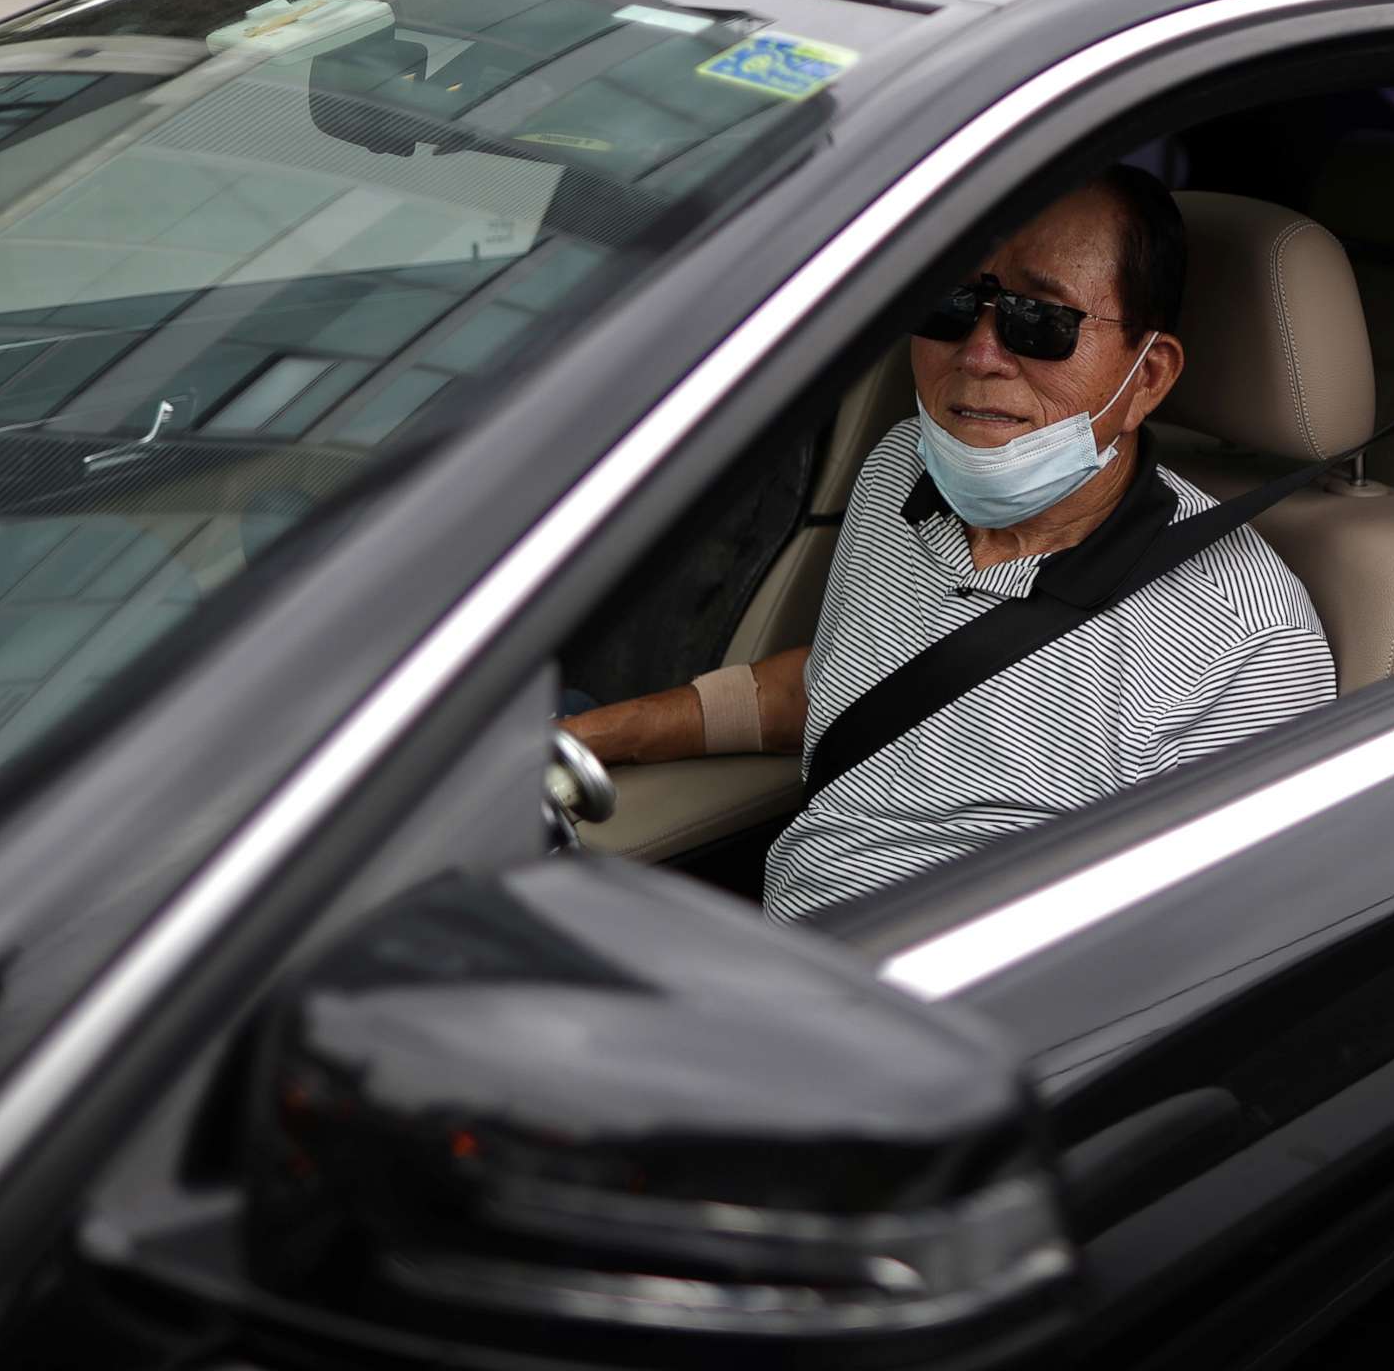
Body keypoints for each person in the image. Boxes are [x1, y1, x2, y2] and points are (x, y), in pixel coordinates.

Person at [566, 168, 1337, 921]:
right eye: (952, 303)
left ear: (1147, 377)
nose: (978, 354)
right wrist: (585, 741)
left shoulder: (1250, 642)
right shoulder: (900, 471)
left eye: (1042, 321)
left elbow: (1206, 953)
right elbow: (838, 684)